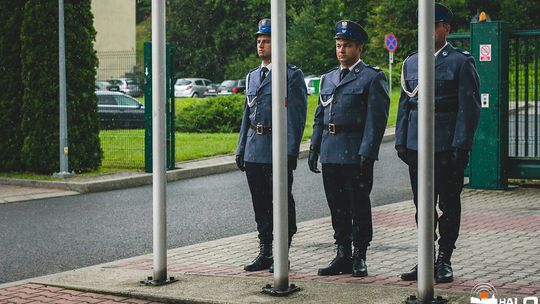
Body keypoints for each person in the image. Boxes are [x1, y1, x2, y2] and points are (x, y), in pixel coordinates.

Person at [395, 3, 481, 283]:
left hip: (445, 145)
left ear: (446, 28)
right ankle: (426, 257)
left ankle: (444, 258)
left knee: (449, 204)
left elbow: (468, 109)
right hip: (416, 144)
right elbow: (405, 104)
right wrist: (400, 140)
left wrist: (461, 145)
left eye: (433, 25)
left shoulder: (460, 61)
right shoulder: (411, 62)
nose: (427, 30)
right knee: (423, 205)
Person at [308, 20, 389, 277]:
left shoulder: (371, 78)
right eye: (339, 45)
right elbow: (320, 115)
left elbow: (376, 121)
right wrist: (314, 147)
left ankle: (359, 255)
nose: (341, 50)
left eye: (347, 46)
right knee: (337, 206)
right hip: (331, 151)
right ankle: (342, 253)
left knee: (358, 205)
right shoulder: (328, 78)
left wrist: (367, 151)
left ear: (359, 48)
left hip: (355, 153)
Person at [235, 18, 307, 272]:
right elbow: (248, 114)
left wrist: (289, 151)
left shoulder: (290, 75)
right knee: (261, 204)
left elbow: (296, 118)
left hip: (276, 149)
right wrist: (241, 147)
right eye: (259, 41)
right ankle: (265, 250)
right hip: (255, 148)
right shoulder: (253, 77)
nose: (261, 46)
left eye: (266, 41)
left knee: (281, 202)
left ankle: (281, 252)